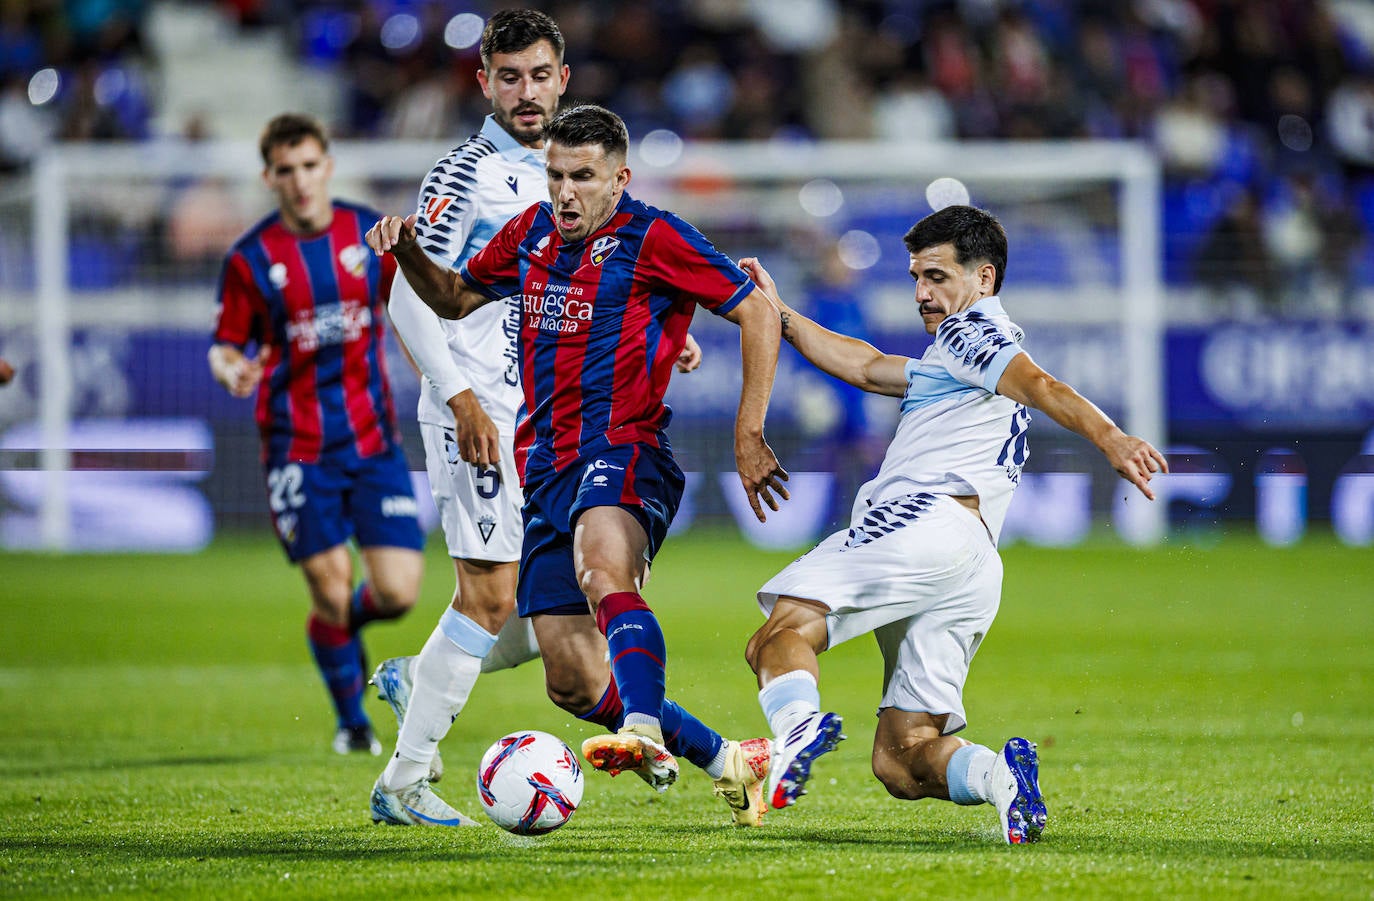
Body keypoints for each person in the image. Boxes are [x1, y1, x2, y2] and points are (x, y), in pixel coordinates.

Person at [366, 103, 789, 827]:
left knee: (602, 570)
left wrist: (749, 432)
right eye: (556, 174)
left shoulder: (654, 235)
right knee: (570, 674)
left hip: (628, 449)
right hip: (546, 466)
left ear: (618, 178)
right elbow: (455, 296)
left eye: (583, 177)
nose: (564, 192)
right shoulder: (530, 233)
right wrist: (405, 249)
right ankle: (732, 761)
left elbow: (756, 311)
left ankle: (645, 728)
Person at [738, 205, 1168, 844]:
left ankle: (794, 731)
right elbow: (865, 365)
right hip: (970, 559)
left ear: (985, 278)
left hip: (922, 521)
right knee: (903, 757)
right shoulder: (952, 359)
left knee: (778, 637)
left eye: (937, 276)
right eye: (916, 277)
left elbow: (1040, 383)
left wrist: (1110, 438)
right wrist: (781, 314)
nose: (922, 294)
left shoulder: (976, 333)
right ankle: (1002, 781)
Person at [209, 113, 425, 758]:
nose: (300, 181)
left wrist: (441, 384)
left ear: (327, 165)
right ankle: (352, 723)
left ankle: (336, 630)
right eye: (286, 170)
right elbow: (225, 344)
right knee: (329, 584)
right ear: (269, 176)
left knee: (397, 593)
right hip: (296, 447)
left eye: (309, 165)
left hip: (372, 439)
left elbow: (412, 312)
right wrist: (232, 370)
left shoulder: (369, 235)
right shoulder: (251, 258)